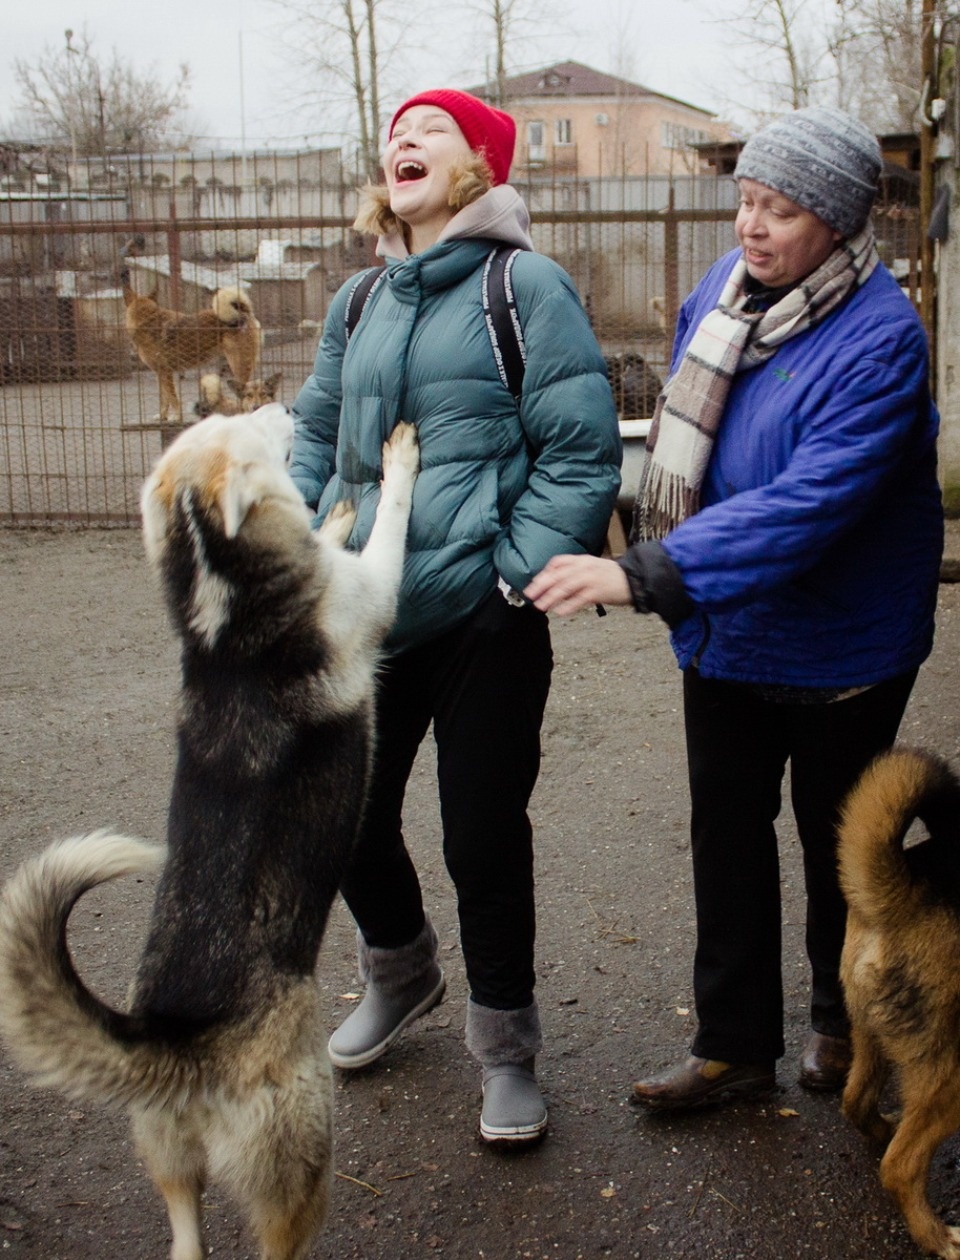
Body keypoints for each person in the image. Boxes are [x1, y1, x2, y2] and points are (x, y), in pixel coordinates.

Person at [525, 106, 943, 1110]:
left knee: (839, 846)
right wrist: (630, 524)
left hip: (843, 641)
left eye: (782, 210)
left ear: (840, 225)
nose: (752, 226)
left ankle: (846, 1030)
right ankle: (733, 1048)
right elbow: (683, 418)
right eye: (746, 201)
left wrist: (650, 573)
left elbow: (809, 506)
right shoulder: (726, 286)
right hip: (727, 629)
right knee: (727, 831)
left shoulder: (882, 340)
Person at [289, 88, 621, 1144]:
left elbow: (580, 449)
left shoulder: (523, 286)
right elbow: (313, 433)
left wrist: (510, 572)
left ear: (477, 162)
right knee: (334, 817)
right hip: (362, 614)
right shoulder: (359, 301)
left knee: (481, 838)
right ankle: (402, 969)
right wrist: (305, 548)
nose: (402, 144)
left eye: (427, 131)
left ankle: (507, 1050)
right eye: (393, 134)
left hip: (483, 617)